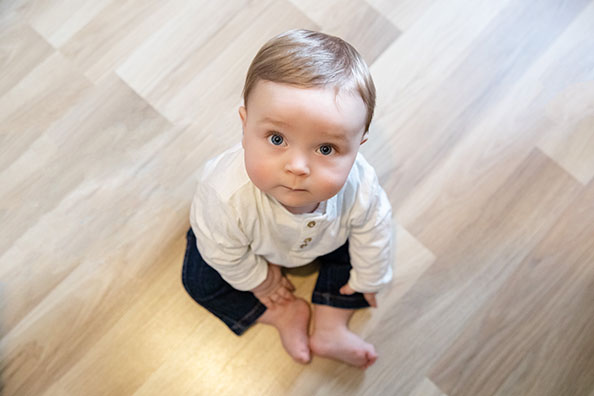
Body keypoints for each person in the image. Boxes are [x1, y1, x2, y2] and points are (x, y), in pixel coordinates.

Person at [182, 29, 393, 369]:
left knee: (361, 257)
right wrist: (261, 281)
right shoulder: (223, 194)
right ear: (245, 124)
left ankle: (330, 324)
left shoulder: (360, 186)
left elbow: (376, 227)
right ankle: (281, 312)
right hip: (244, 247)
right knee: (199, 279)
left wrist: (371, 275)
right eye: (277, 138)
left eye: (326, 149)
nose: (297, 167)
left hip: (329, 237)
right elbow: (223, 250)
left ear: (357, 149)